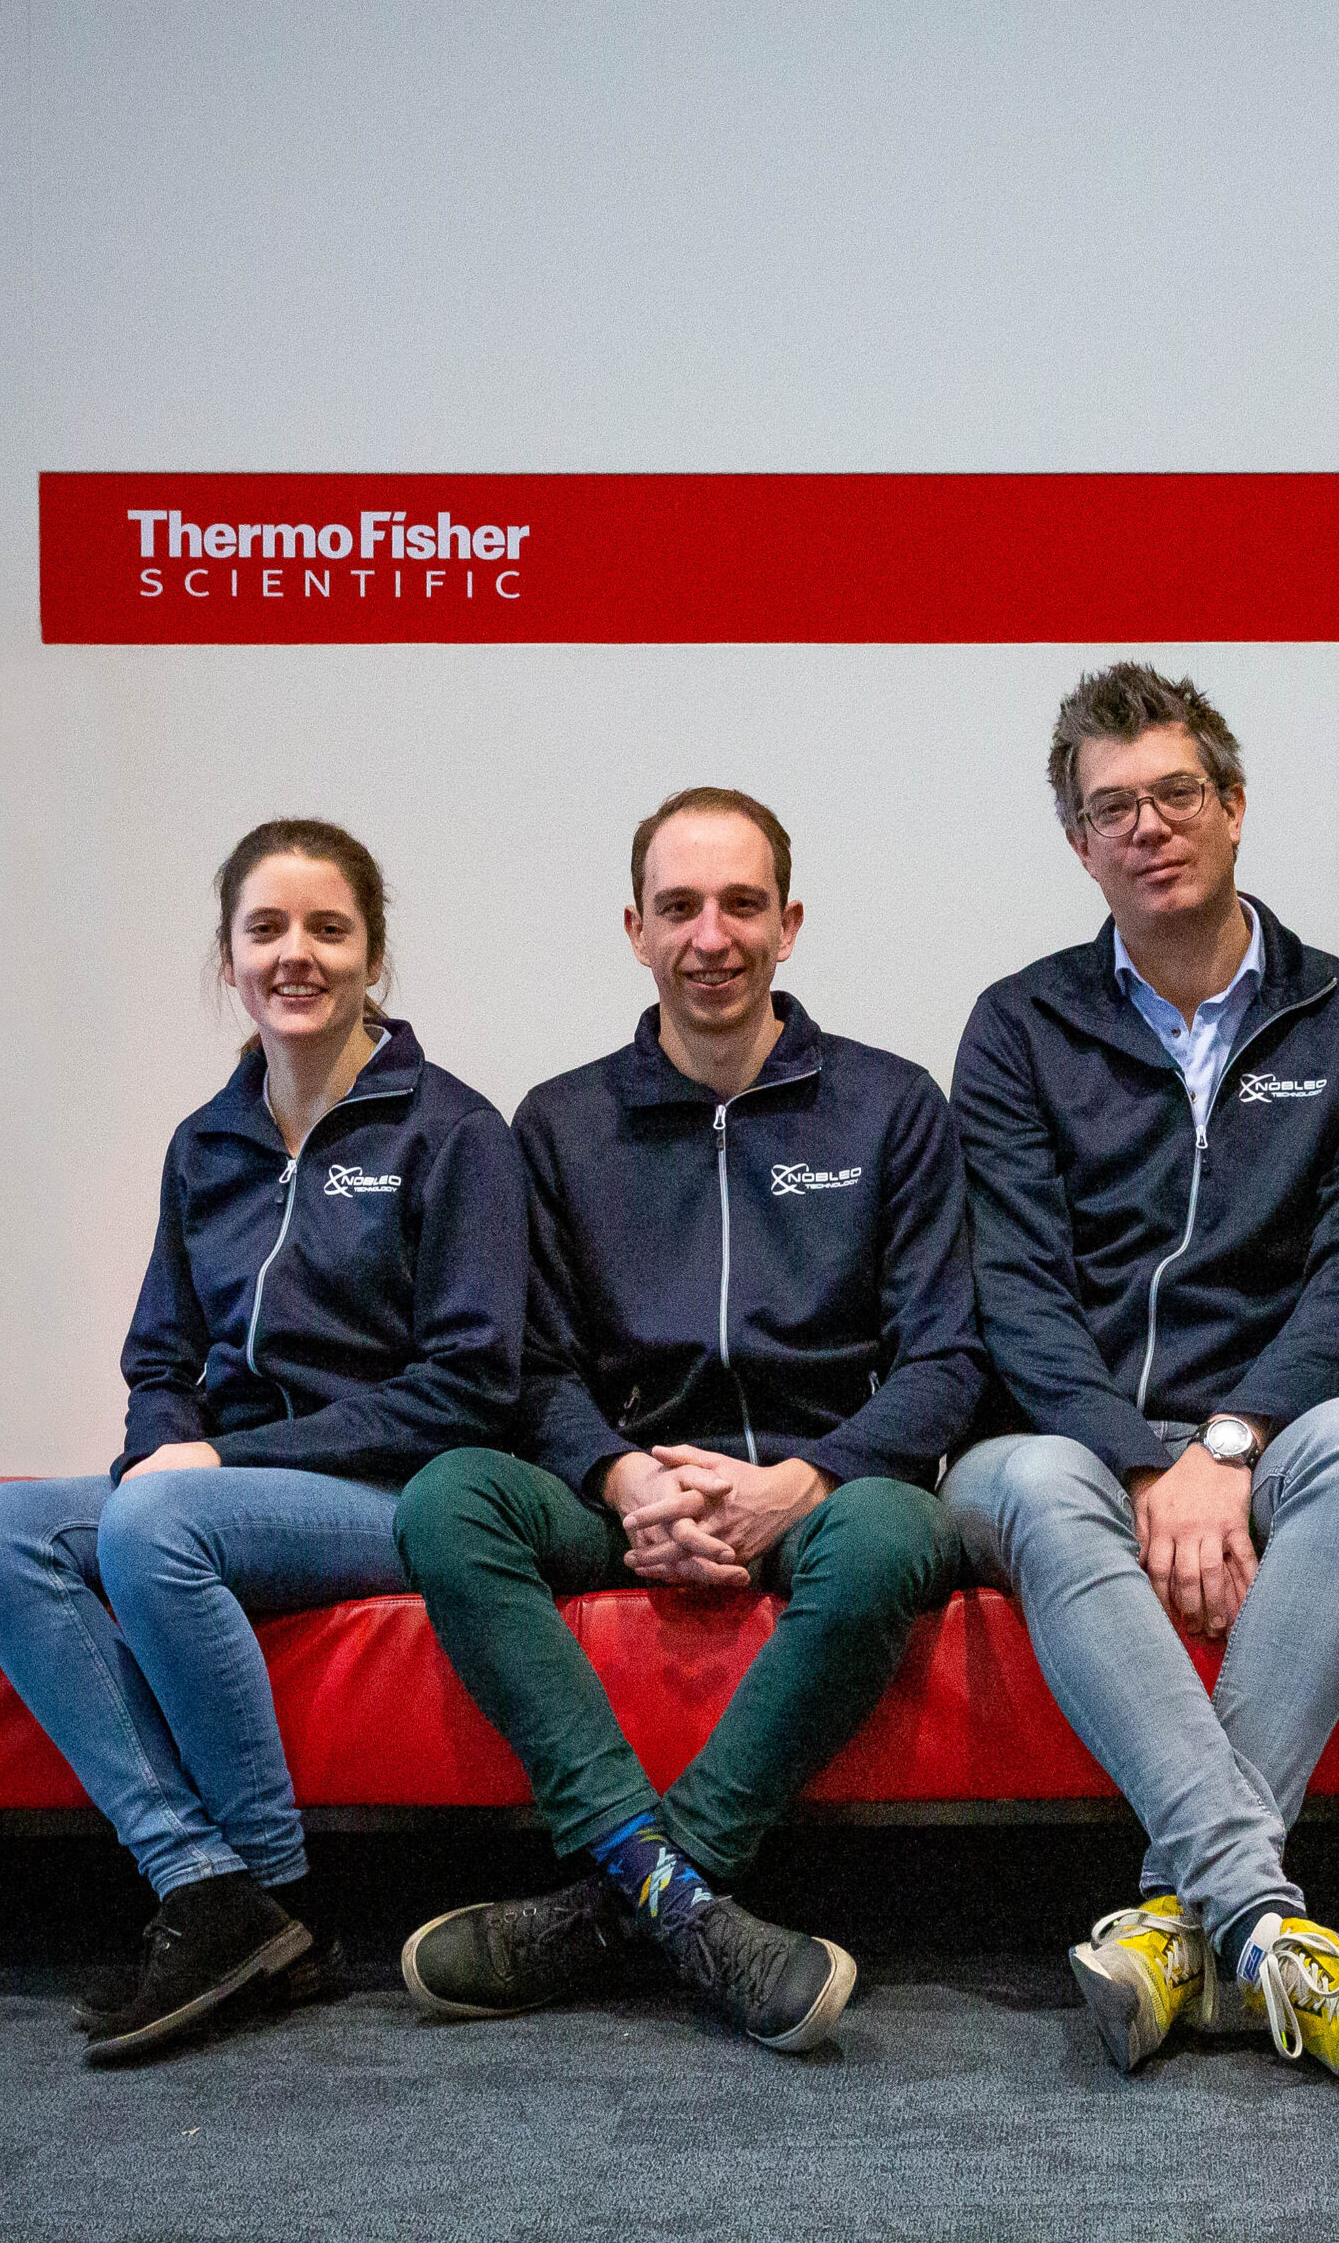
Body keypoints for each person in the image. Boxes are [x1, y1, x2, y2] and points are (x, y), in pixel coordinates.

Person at [392, 788, 977, 2053]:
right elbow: (533, 1369)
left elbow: (945, 1359)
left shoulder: (890, 1104)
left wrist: (802, 1481)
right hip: (630, 1499)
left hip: (822, 1498)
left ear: (789, 923)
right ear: (636, 929)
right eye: (680, 907)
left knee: (894, 1532)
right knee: (448, 1496)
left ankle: (628, 1898)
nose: (712, 936)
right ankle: (680, 1899)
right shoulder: (559, 1122)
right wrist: (624, 1482)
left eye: (742, 904)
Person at [0, 818, 526, 2067]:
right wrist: (171, 1445)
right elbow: (162, 1359)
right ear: (229, 958)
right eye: (265, 929)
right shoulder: (204, 1142)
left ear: (374, 956)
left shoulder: (454, 1132)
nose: (294, 954)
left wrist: (215, 1467)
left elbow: (473, 1385)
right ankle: (206, 1885)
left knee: (158, 1518)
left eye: (328, 928)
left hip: (389, 1491)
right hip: (217, 1495)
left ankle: (274, 1884)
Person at [944, 664, 1339, 2092]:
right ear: (1078, 845)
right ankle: (1268, 1927)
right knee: (1046, 1477)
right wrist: (1143, 1459)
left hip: (1259, 1436)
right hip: (1057, 1443)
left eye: (1175, 793)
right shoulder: (1019, 1025)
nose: (1148, 827)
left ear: (1231, 806)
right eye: (1113, 809)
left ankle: (1181, 1918)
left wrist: (1227, 1444)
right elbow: (1017, 1293)